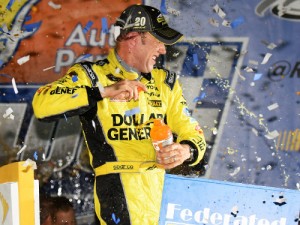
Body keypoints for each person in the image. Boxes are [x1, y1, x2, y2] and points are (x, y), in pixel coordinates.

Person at [33, 4, 206, 225]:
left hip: (163, 194)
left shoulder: (166, 82)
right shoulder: (91, 75)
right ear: (134, 39)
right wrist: (103, 92)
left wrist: (185, 150)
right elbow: (42, 104)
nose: (163, 49)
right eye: (158, 40)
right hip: (118, 189)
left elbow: (194, 132)